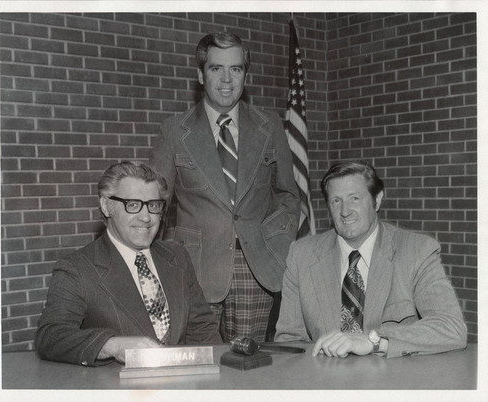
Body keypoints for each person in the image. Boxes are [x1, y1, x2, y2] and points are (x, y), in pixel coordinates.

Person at [150, 32, 300, 343]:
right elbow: (155, 203)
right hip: (195, 271)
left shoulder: (269, 125)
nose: (227, 80)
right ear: (200, 75)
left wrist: (278, 242)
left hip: (256, 270)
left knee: (248, 371)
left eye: (236, 69)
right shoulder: (174, 131)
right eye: (217, 69)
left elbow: (287, 194)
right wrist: (162, 262)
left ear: (246, 73)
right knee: (196, 369)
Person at [35, 161, 221, 366]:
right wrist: (113, 346)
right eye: (133, 205)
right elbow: (50, 336)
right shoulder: (77, 269)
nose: (146, 217)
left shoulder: (178, 257)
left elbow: (203, 329)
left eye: (153, 205)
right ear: (106, 206)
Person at [275, 160, 467, 358]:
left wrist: (372, 340)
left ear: (377, 200)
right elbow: (290, 344)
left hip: (392, 382)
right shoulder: (301, 255)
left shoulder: (417, 251)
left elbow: (451, 328)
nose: (345, 211)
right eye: (336, 201)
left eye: (354, 198)